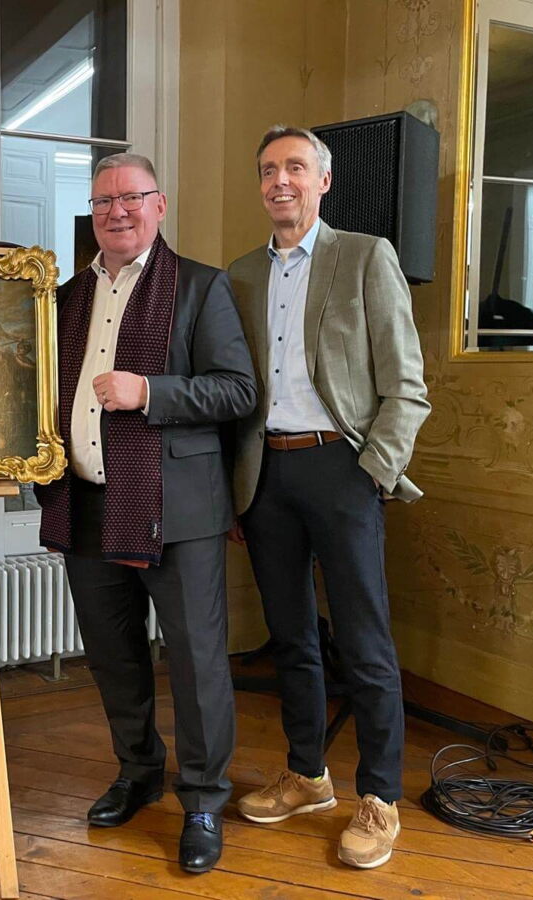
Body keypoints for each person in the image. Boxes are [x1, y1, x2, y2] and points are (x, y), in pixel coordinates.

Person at [37, 152, 256, 873]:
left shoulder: (200, 286)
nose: (118, 211)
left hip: (179, 511)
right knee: (113, 656)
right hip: (86, 504)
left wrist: (150, 392)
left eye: (131, 197)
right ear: (91, 213)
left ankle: (203, 799)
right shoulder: (65, 298)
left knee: (195, 662)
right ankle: (137, 772)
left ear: (160, 205)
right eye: (104, 201)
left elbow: (236, 390)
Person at [227, 125, 430, 869]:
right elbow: (235, 389)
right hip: (265, 477)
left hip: (342, 468)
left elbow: (406, 385)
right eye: (267, 169)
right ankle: (308, 775)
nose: (279, 180)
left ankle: (379, 797)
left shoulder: (367, 256)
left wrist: (374, 470)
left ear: (324, 180)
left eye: (295, 167)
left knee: (365, 642)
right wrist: (235, 489)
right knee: (291, 638)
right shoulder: (240, 275)